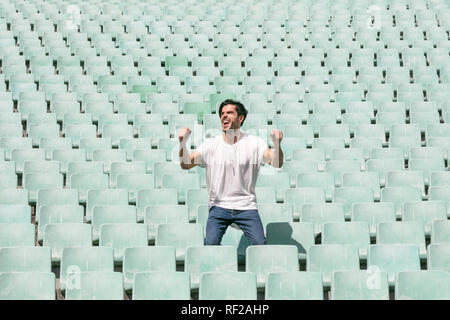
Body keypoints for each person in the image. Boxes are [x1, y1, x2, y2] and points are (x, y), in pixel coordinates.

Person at [178, 99, 283, 246]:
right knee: (211, 244)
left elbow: (276, 162)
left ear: (240, 118)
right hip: (219, 206)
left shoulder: (255, 143)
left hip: (246, 206)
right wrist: (182, 143)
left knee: (260, 245)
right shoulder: (211, 144)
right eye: (222, 113)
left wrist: (277, 144)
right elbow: (186, 163)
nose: (224, 116)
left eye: (229, 113)